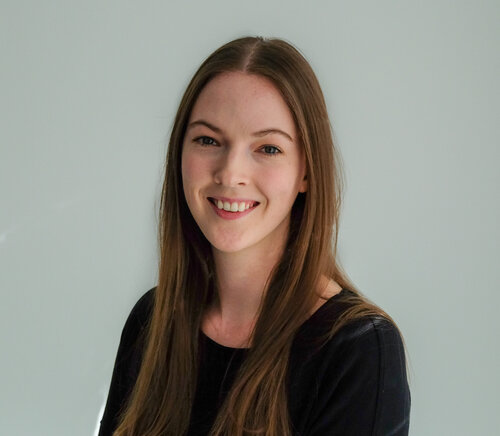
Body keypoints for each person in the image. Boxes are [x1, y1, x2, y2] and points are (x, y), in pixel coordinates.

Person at [98, 36, 411, 436]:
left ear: (306, 172)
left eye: (268, 148)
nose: (230, 173)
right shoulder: (153, 320)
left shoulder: (358, 349)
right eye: (208, 140)